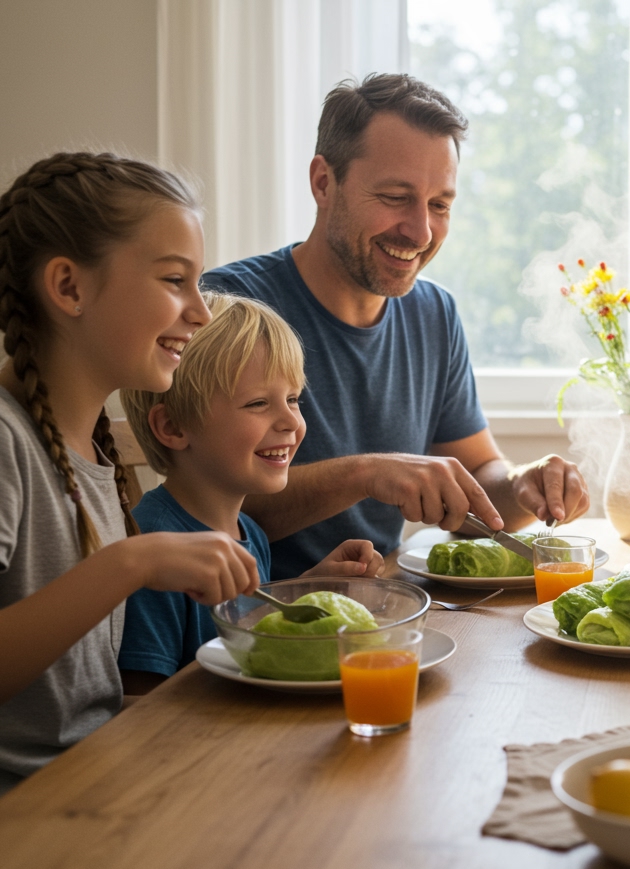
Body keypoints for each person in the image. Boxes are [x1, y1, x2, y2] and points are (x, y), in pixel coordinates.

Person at [202, 73, 589, 578]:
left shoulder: (434, 313)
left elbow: (475, 475)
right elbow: (205, 507)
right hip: (256, 620)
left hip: (379, 609)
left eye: (440, 205)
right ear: (324, 183)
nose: (421, 231)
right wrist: (368, 474)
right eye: (394, 196)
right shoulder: (233, 308)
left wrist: (522, 484)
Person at [0, 153, 261, 793]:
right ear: (69, 288)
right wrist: (133, 563)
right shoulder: (5, 439)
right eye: (175, 280)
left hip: (100, 780)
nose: (200, 312)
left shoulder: (89, 446)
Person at [116, 294, 383, 695]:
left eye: (293, 399)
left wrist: (305, 589)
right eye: (259, 403)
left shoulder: (250, 532)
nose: (291, 420)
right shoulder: (154, 551)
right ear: (173, 427)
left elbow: (247, 632)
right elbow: (141, 705)